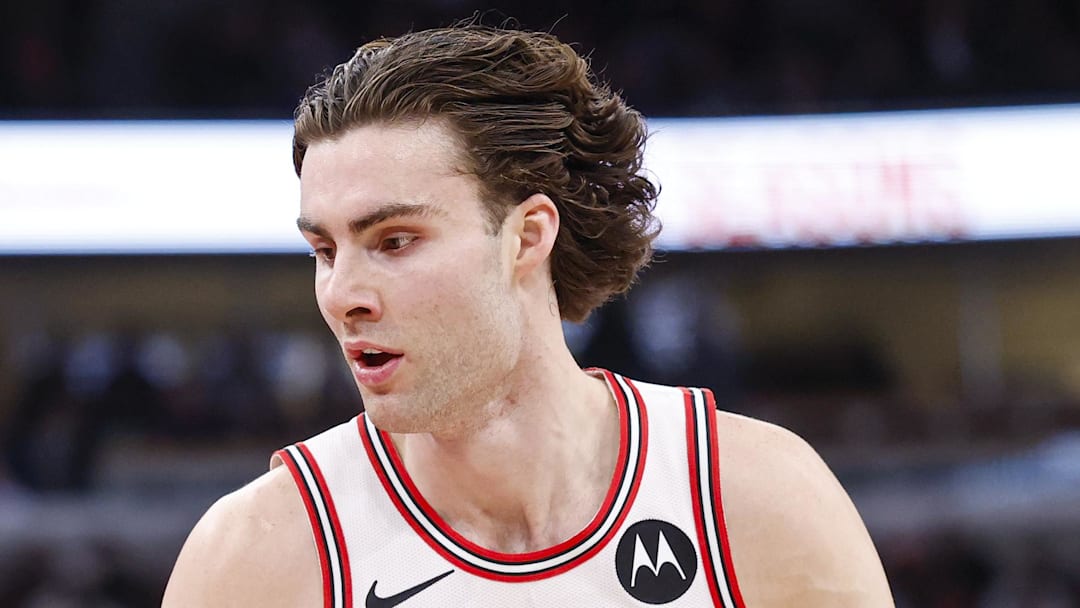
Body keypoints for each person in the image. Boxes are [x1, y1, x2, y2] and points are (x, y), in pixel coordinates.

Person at [163, 23, 894, 607]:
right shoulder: (258, 554)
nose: (341, 292)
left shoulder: (754, 499)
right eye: (325, 249)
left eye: (394, 241)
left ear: (528, 236)